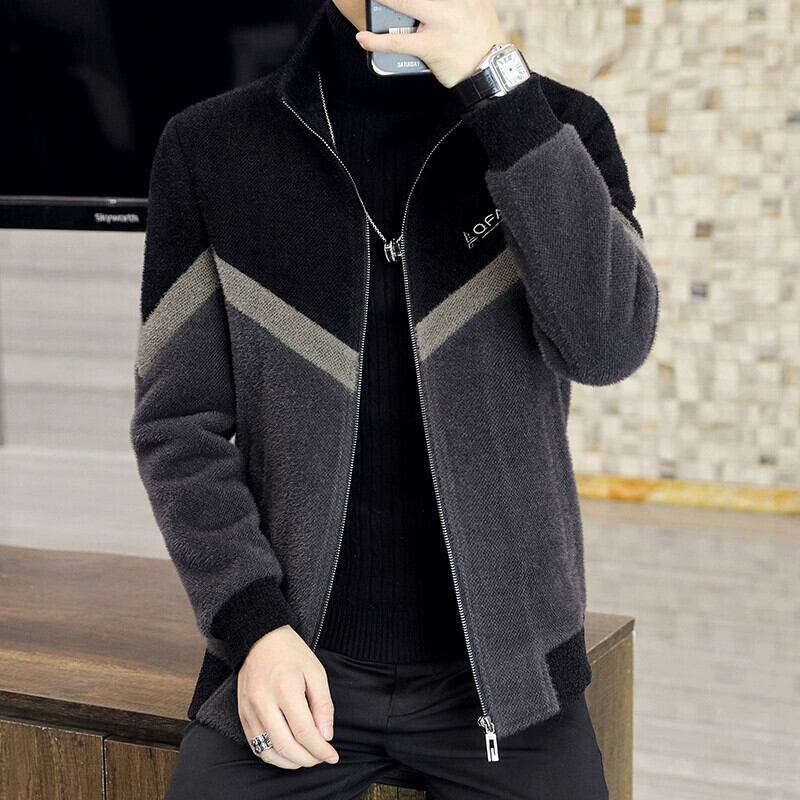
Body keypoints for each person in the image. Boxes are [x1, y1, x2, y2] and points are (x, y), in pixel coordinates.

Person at [129, 0, 659, 797]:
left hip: (509, 682)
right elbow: (178, 428)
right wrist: (255, 629)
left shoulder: (557, 126)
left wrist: (501, 94)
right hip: (297, 659)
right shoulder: (212, 146)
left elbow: (609, 345)